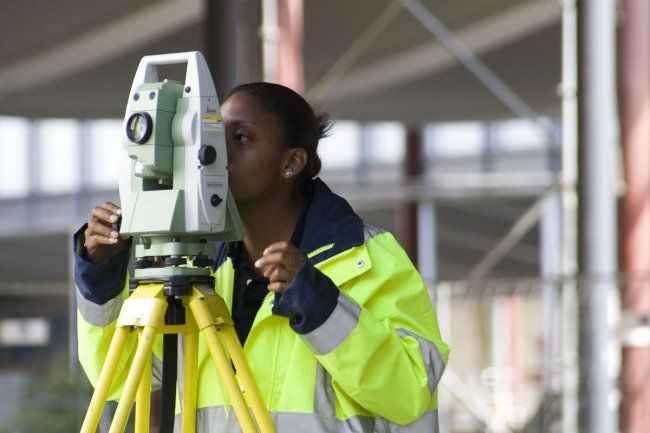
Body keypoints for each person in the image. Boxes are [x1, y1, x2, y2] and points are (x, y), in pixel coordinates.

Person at [74, 82, 449, 433]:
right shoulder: (198, 271)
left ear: (292, 163)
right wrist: (102, 275)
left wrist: (318, 303)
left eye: (241, 138)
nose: (216, 154)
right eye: (213, 136)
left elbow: (410, 390)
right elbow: (118, 377)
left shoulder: (364, 255)